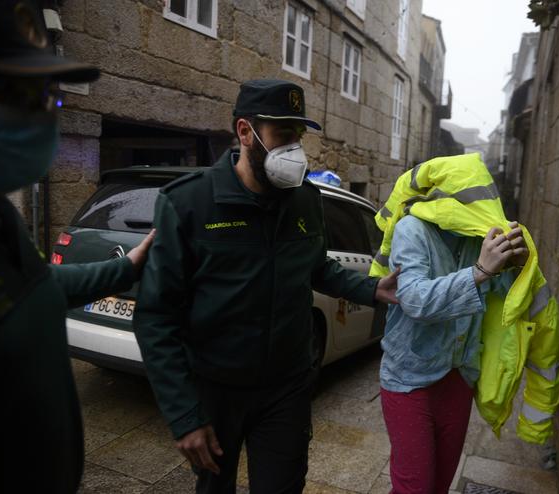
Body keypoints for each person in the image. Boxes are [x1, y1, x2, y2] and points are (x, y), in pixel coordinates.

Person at [134, 78, 399, 494]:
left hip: (287, 388)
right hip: (215, 390)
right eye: (282, 135)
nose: (294, 148)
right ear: (245, 132)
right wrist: (184, 415)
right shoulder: (189, 203)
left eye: (298, 136)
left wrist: (373, 288)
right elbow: (155, 317)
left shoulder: (306, 201)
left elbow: (317, 268)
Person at [0, 2, 155, 493]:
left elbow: (37, 286)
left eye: (47, 96)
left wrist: (130, 264)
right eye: (15, 93)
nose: (43, 114)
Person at [370, 154, 532, 494]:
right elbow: (413, 299)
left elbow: (501, 299)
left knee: (440, 485)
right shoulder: (411, 229)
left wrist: (516, 265)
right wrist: (480, 271)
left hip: (458, 378)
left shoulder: (477, 237)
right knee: (415, 487)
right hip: (408, 380)